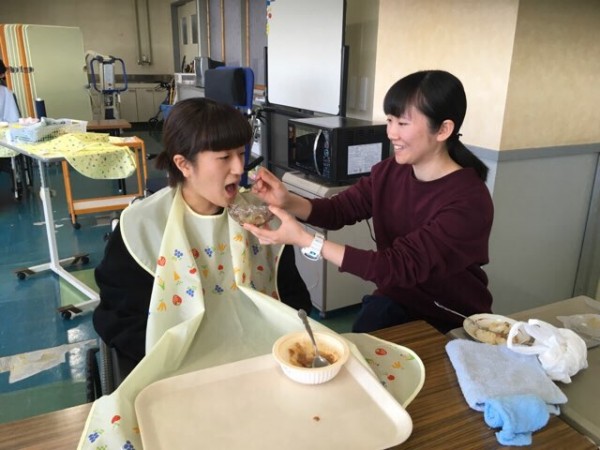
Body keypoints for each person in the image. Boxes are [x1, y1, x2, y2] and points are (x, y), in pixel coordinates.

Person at [245, 69, 494, 334]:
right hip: (396, 298)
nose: (391, 133)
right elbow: (338, 210)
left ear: (443, 129)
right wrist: (287, 200)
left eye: (403, 123)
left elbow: (397, 265)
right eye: (390, 120)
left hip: (449, 315)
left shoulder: (469, 200)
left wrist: (307, 241)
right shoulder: (390, 171)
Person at [93, 97, 311, 373]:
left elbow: (294, 300)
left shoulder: (262, 218)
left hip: (265, 355)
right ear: (184, 164)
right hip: (179, 365)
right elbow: (120, 319)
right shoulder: (142, 225)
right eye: (224, 157)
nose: (239, 168)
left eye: (241, 153)